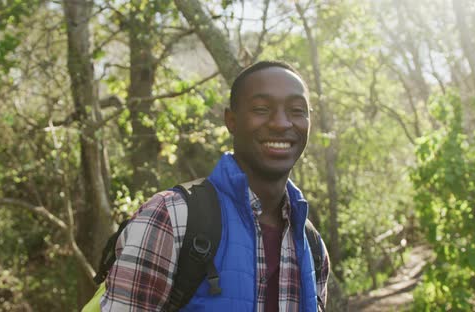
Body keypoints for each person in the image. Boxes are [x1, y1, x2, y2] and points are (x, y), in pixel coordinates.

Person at [100, 61, 329, 311]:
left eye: (297, 110)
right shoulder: (170, 217)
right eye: (262, 109)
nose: (281, 123)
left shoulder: (312, 244)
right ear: (231, 120)